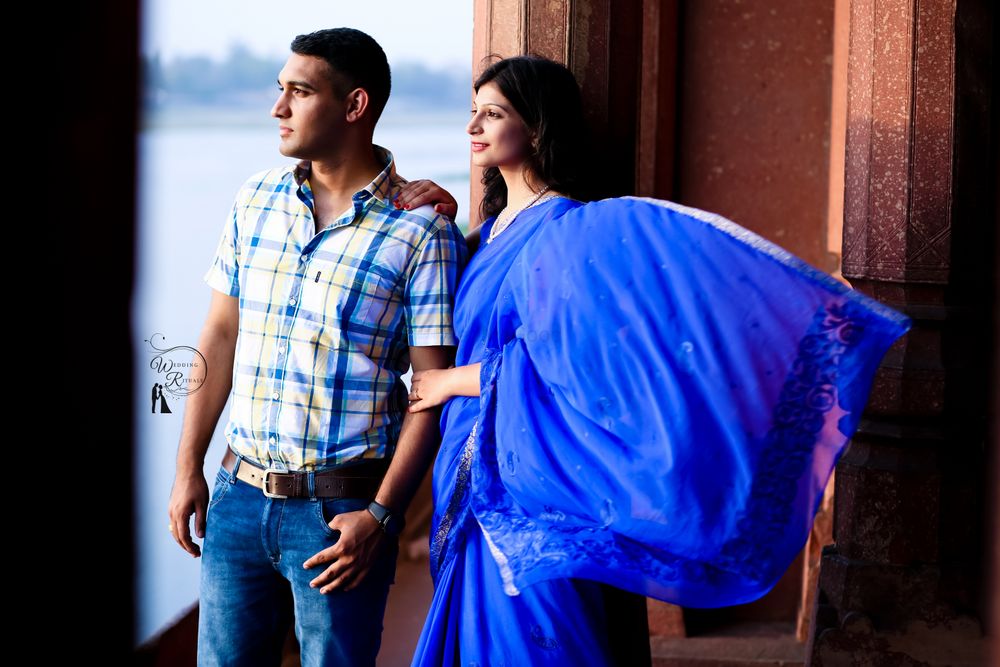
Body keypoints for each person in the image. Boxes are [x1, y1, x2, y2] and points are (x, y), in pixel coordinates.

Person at [394, 55, 911, 665]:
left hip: (534, 482)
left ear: (535, 128)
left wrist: (452, 380)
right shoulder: (481, 237)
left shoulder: (570, 228)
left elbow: (579, 365)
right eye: (473, 112)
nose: (475, 126)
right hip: (466, 465)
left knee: (539, 638)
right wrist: (443, 219)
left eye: (495, 113)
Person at [166, 28, 467, 666]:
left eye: (299, 92)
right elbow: (218, 335)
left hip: (341, 514)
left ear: (354, 106)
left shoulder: (422, 231)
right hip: (236, 498)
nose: (279, 109)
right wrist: (188, 465)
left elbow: (429, 393)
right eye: (282, 90)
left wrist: (382, 518)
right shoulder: (255, 200)